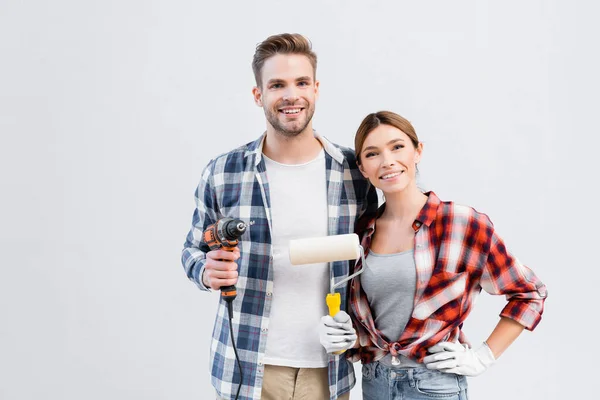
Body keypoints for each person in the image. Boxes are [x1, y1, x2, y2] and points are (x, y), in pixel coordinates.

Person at [181, 33, 376, 400]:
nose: (291, 95)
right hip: (248, 366)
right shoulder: (224, 172)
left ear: (316, 89)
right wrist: (207, 271)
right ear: (259, 95)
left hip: (329, 368)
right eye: (277, 85)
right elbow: (191, 250)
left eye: (301, 82)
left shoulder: (353, 171)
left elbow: (375, 259)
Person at [318, 111, 547, 399]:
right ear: (363, 168)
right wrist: (347, 335)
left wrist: (483, 357)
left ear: (418, 151)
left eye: (397, 147)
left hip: (434, 386)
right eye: (373, 153)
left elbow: (530, 293)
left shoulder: (462, 223)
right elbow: (374, 315)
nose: (387, 160)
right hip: (374, 383)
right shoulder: (362, 232)